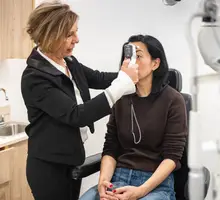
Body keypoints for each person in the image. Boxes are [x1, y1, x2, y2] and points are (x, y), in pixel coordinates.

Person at [20, 2, 139, 200]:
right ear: (51, 35)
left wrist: (132, 75)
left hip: (71, 159)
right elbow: (77, 115)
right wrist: (121, 85)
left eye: (76, 32)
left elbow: (98, 78)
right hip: (49, 168)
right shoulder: (35, 77)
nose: (77, 39)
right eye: (69, 34)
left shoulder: (67, 61)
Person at [80, 34, 188, 200]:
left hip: (155, 185)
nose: (131, 62)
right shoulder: (121, 97)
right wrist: (104, 182)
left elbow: (172, 157)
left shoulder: (173, 100)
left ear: (155, 63)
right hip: (118, 180)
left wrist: (140, 191)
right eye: (128, 57)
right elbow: (111, 148)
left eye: (138, 56)